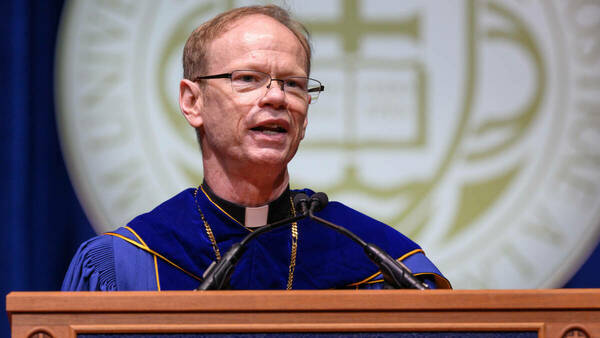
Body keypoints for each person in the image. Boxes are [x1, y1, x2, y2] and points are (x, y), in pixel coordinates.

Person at [62, 5, 450, 291]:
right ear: (192, 101)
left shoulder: (379, 262)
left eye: (294, 84)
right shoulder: (125, 266)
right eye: (248, 78)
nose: (277, 97)